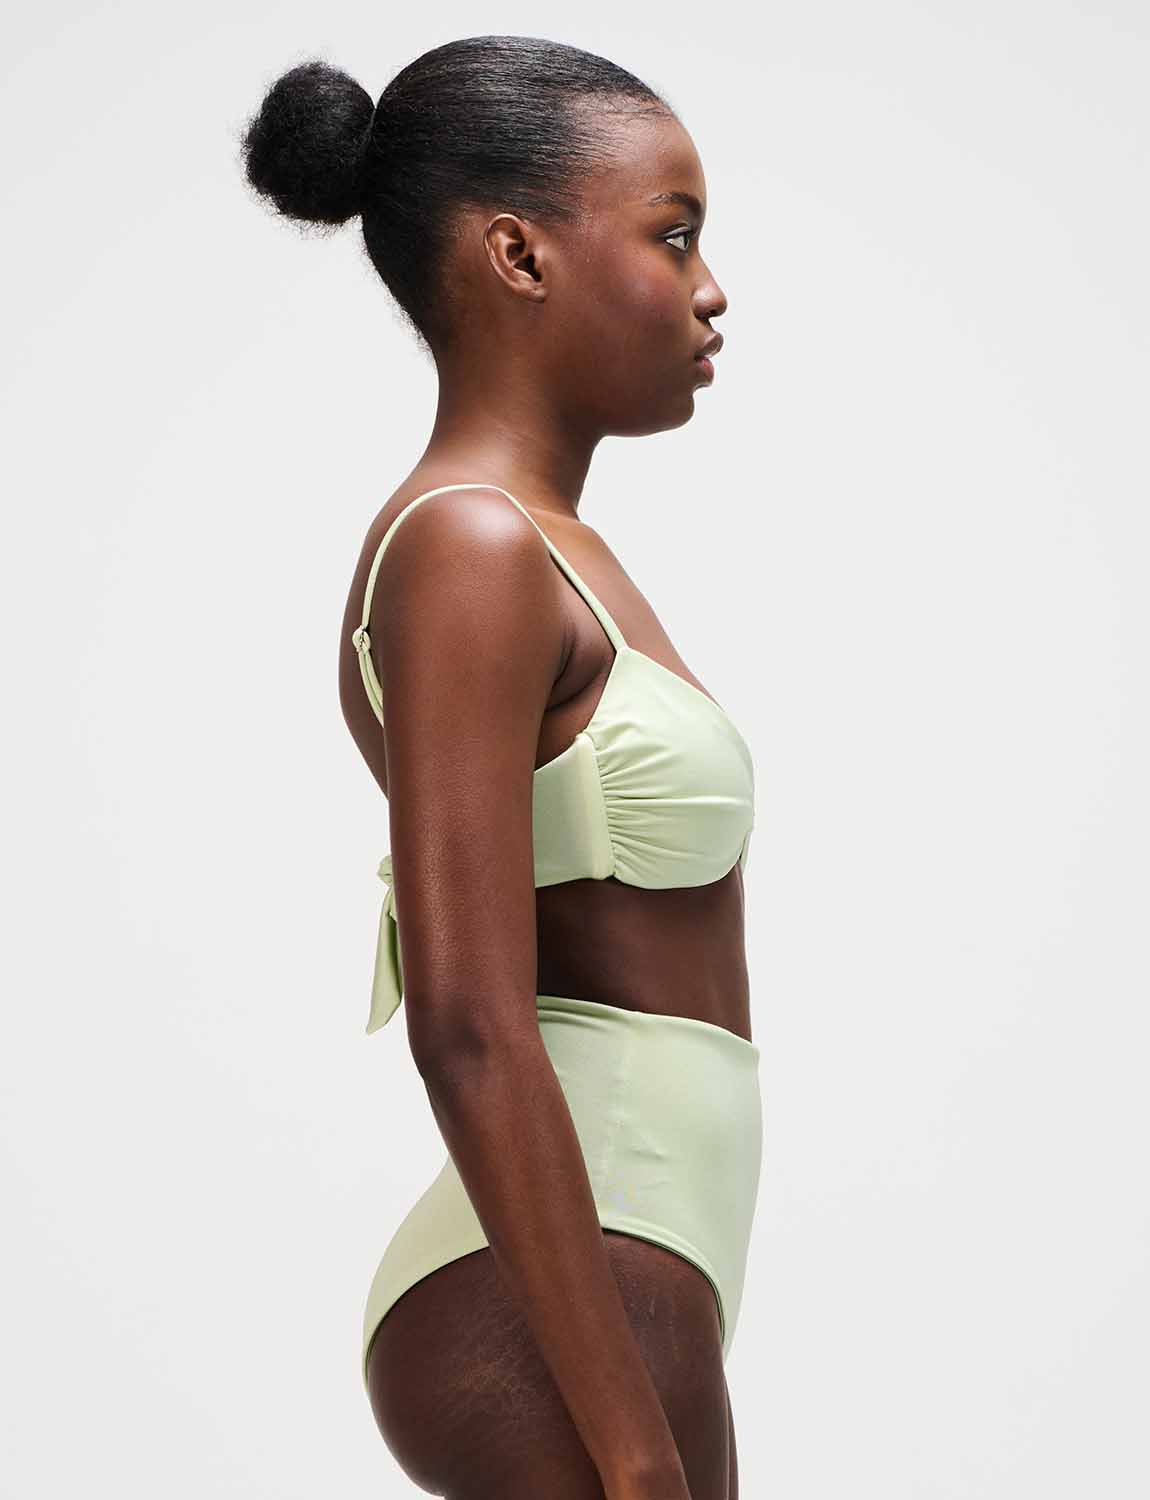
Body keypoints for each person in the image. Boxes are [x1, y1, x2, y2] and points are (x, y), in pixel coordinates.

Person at [239, 34, 761, 1500]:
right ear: (519, 256)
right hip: (563, 1283)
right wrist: (630, 1454)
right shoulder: (467, 546)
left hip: (639, 1256)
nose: (711, 290)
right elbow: (467, 1022)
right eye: (672, 236)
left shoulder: (552, 550)